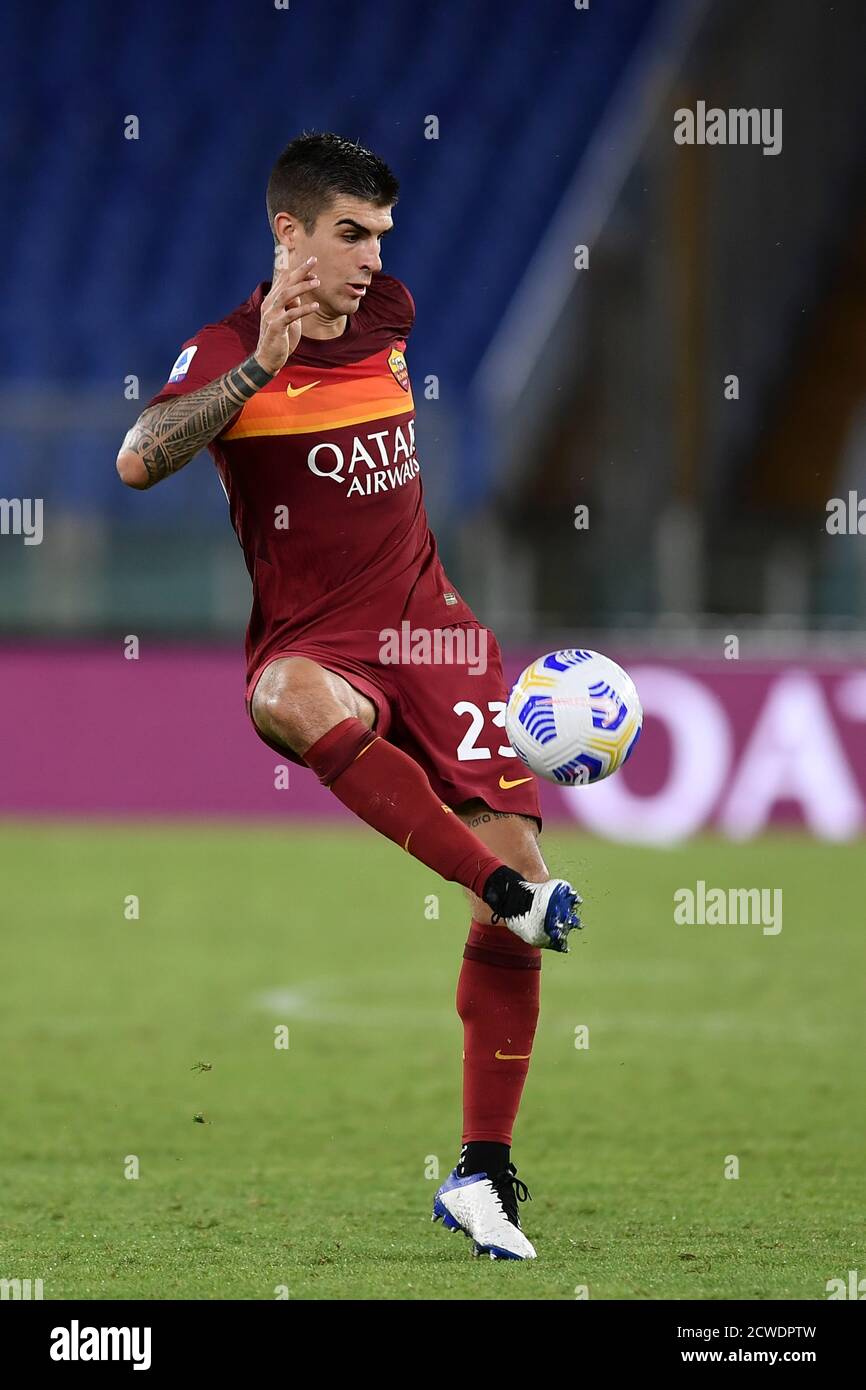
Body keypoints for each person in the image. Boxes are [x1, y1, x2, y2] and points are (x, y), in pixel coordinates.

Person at [116, 132, 582, 1260]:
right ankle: (496, 887)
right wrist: (252, 373)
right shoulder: (226, 350)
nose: (374, 256)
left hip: (433, 625)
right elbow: (137, 458)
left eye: (381, 234)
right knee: (280, 696)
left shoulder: (390, 315)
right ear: (289, 234)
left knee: (520, 888)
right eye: (350, 234)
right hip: (320, 638)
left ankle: (481, 1177)